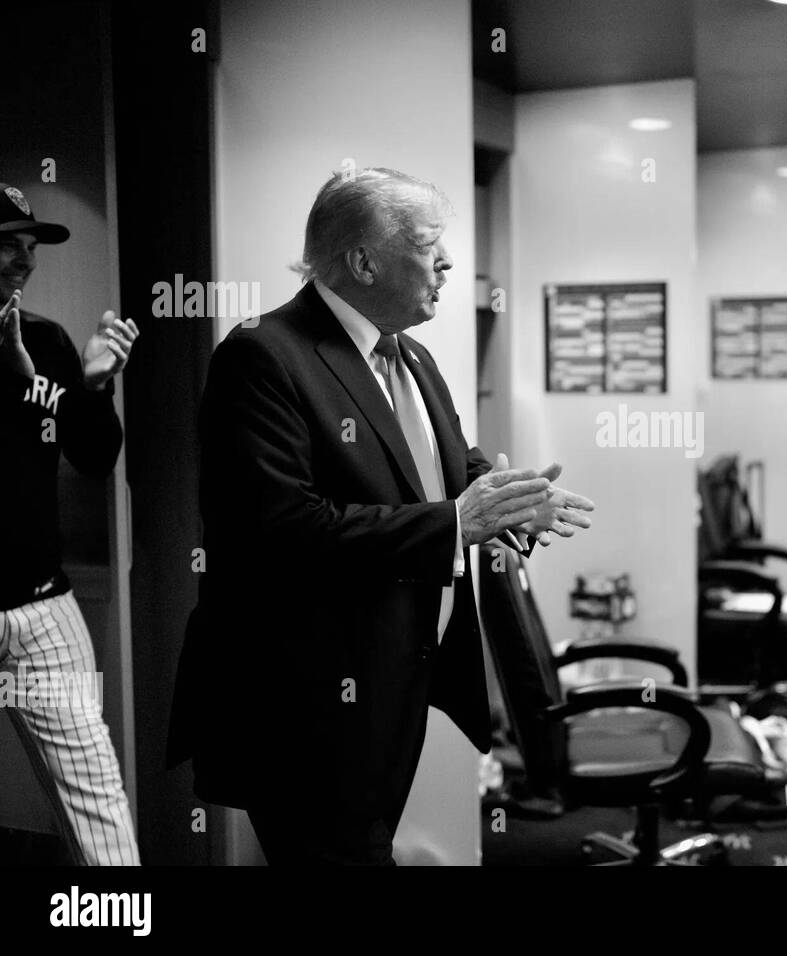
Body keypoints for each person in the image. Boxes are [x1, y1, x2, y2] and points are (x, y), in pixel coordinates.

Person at [166, 167, 594, 865]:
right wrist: (457, 523)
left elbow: (449, 468)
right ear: (364, 262)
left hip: (397, 678)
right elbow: (285, 530)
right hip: (303, 700)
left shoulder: (410, 354)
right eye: (428, 245)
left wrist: (508, 502)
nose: (449, 262)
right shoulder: (262, 355)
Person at [0, 182, 141, 865]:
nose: (24, 261)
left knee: (98, 804)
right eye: (8, 245)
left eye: (31, 247)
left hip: (43, 611)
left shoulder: (47, 340)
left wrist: (93, 386)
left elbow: (93, 458)